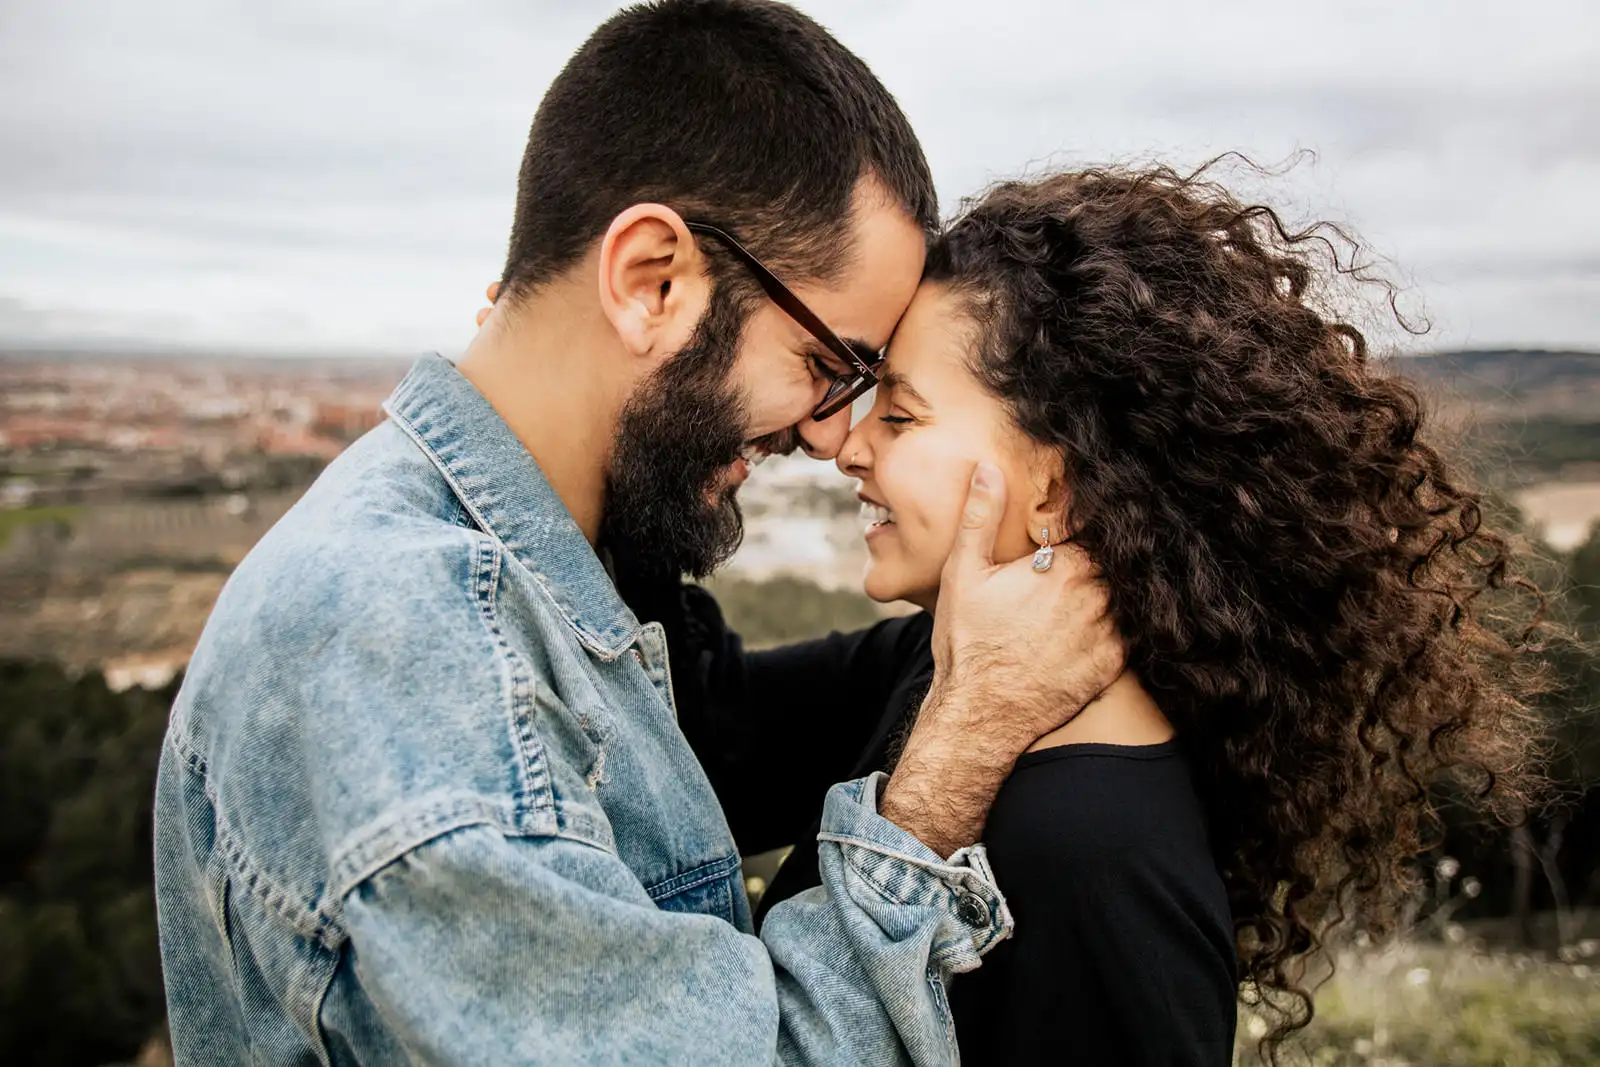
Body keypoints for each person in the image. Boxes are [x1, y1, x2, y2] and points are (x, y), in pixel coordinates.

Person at [150, 4, 1125, 1065]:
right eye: (827, 364)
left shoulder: (537, 564)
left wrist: (1004, 636)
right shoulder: (410, 660)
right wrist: (956, 756)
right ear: (650, 279)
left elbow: (737, 727)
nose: (826, 430)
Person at [601, 164, 1551, 1065]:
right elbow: (703, 732)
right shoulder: (946, 671)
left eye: (899, 414)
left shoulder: (1094, 858)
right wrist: (626, 427)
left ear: (1055, 490)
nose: (846, 445)